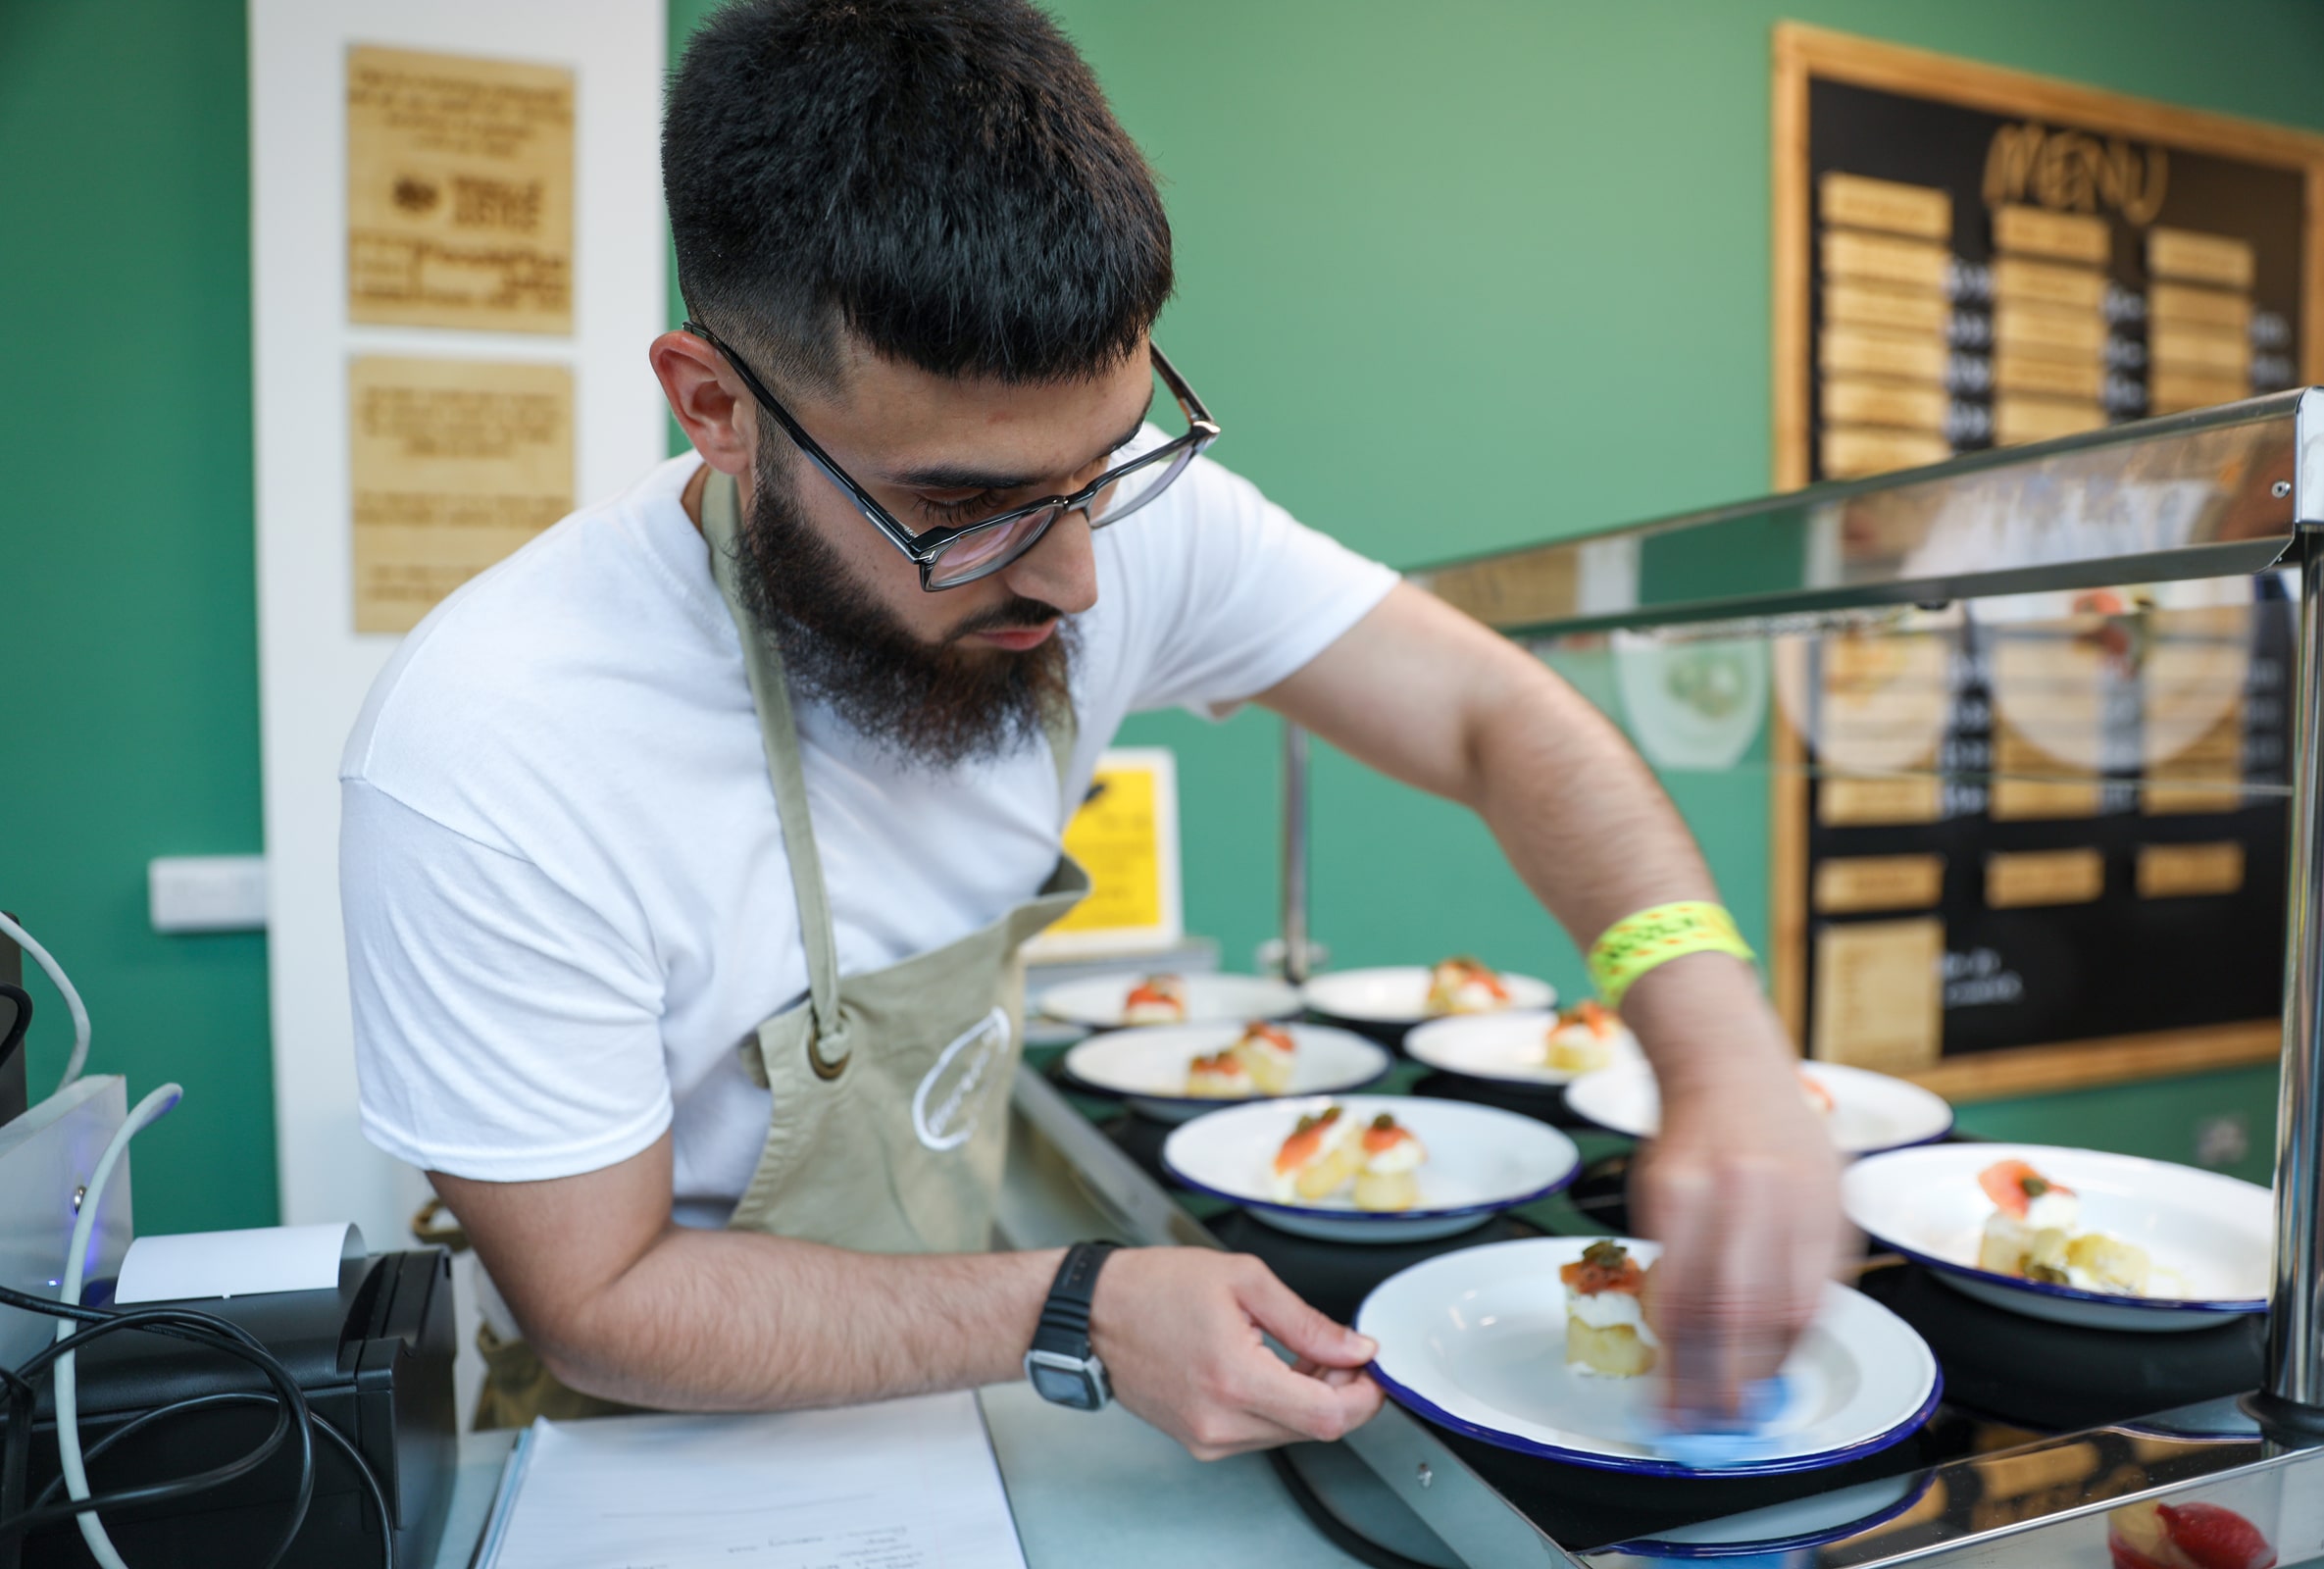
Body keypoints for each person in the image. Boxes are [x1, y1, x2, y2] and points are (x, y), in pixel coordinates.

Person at [342, 0, 1842, 1457]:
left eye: (1110, 461)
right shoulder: (497, 744)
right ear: (716, 408)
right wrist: (1077, 1307)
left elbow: (1493, 713)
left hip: (946, 1409)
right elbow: (602, 1301)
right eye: (963, 510)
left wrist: (1716, 1050)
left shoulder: (1102, 534)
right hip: (646, 1460)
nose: (1076, 576)